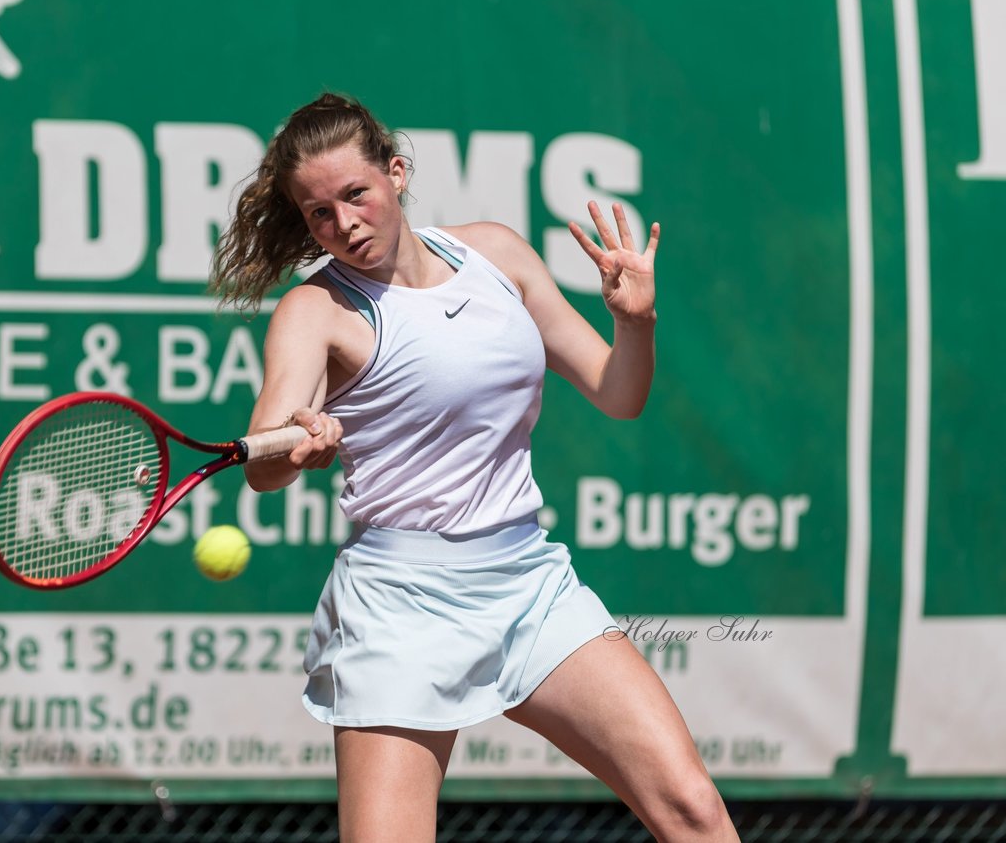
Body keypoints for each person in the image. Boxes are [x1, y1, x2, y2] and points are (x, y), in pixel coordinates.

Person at [211, 93, 739, 843]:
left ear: (396, 171)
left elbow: (619, 393)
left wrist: (634, 322)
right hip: (399, 607)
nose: (345, 223)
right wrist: (299, 444)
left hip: (528, 584)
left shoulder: (495, 253)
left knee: (692, 811)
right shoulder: (315, 311)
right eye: (319, 213)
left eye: (356, 193)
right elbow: (266, 458)